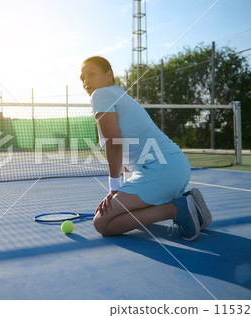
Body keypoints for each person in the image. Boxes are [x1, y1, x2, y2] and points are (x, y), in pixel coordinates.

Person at [80, 56, 212, 241]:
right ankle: (192, 206)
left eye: (91, 74)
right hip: (175, 168)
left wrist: (114, 189)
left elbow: (114, 143)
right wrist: (124, 188)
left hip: (161, 172)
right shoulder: (122, 97)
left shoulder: (101, 95)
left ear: (109, 75)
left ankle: (176, 209)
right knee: (129, 213)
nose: (86, 82)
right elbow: (128, 152)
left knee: (102, 223)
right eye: (82, 78)